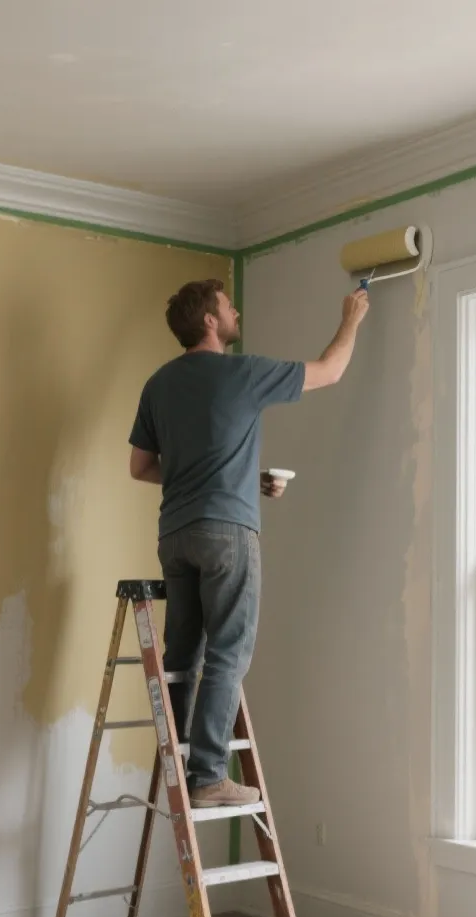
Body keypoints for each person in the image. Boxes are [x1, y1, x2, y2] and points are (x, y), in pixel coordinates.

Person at [129, 279, 369, 808]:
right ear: (210, 321)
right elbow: (330, 370)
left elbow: (142, 467)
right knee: (228, 652)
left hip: (175, 534)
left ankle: (177, 761)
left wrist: (240, 478)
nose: (235, 310)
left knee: (182, 655)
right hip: (227, 532)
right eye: (227, 305)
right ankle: (210, 774)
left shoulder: (159, 385)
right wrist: (351, 317)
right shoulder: (241, 372)